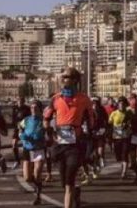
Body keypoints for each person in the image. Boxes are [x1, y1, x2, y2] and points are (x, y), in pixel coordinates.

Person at [44, 67, 94, 208]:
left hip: (75, 144)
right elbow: (46, 117)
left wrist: (88, 133)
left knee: (70, 177)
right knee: (64, 180)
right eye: (64, 77)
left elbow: (91, 119)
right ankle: (75, 193)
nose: (66, 79)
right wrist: (48, 129)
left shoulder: (84, 99)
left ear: (76, 80)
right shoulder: (55, 99)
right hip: (59, 143)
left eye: (69, 77)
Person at [19, 100, 46, 205]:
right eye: (32, 108)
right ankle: (37, 186)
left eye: (35, 108)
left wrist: (43, 137)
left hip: (39, 150)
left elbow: (50, 132)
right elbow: (20, 128)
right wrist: (21, 136)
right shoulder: (26, 120)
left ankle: (38, 196)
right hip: (27, 149)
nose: (33, 109)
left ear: (40, 109)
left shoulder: (43, 120)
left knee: (37, 174)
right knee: (27, 177)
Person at [108, 97, 132, 180]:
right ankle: (123, 164)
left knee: (125, 154)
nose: (121, 106)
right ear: (118, 105)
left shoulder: (129, 113)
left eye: (123, 104)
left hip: (126, 137)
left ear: (125, 105)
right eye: (120, 104)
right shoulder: (114, 113)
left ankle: (124, 172)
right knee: (118, 155)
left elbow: (132, 122)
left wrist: (128, 124)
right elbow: (109, 123)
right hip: (116, 137)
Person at [11, 96, 32, 170]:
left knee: (25, 145)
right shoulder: (15, 108)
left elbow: (29, 119)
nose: (19, 102)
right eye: (18, 101)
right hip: (17, 128)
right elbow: (13, 119)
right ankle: (17, 160)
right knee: (14, 144)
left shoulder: (27, 109)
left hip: (24, 128)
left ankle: (25, 160)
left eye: (21, 101)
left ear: (23, 101)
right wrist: (16, 126)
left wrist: (23, 127)